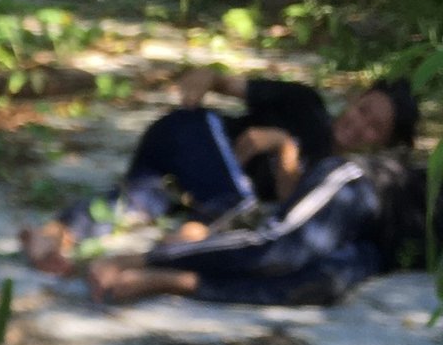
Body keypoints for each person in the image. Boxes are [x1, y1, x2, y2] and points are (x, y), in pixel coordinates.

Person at [23, 69, 417, 273]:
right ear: (355, 98)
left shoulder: (338, 177)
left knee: (140, 202)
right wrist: (202, 79)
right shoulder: (305, 103)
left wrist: (283, 146)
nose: (359, 124)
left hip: (193, 184)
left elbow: (289, 207)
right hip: (191, 133)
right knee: (237, 205)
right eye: (363, 109)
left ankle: (53, 235)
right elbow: (223, 82)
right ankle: (162, 258)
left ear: (382, 144)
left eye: (375, 127)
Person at [85, 149, 412, 309]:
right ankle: (141, 259)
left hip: (385, 247)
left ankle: (178, 280)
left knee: (319, 285)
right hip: (368, 190)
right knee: (283, 250)